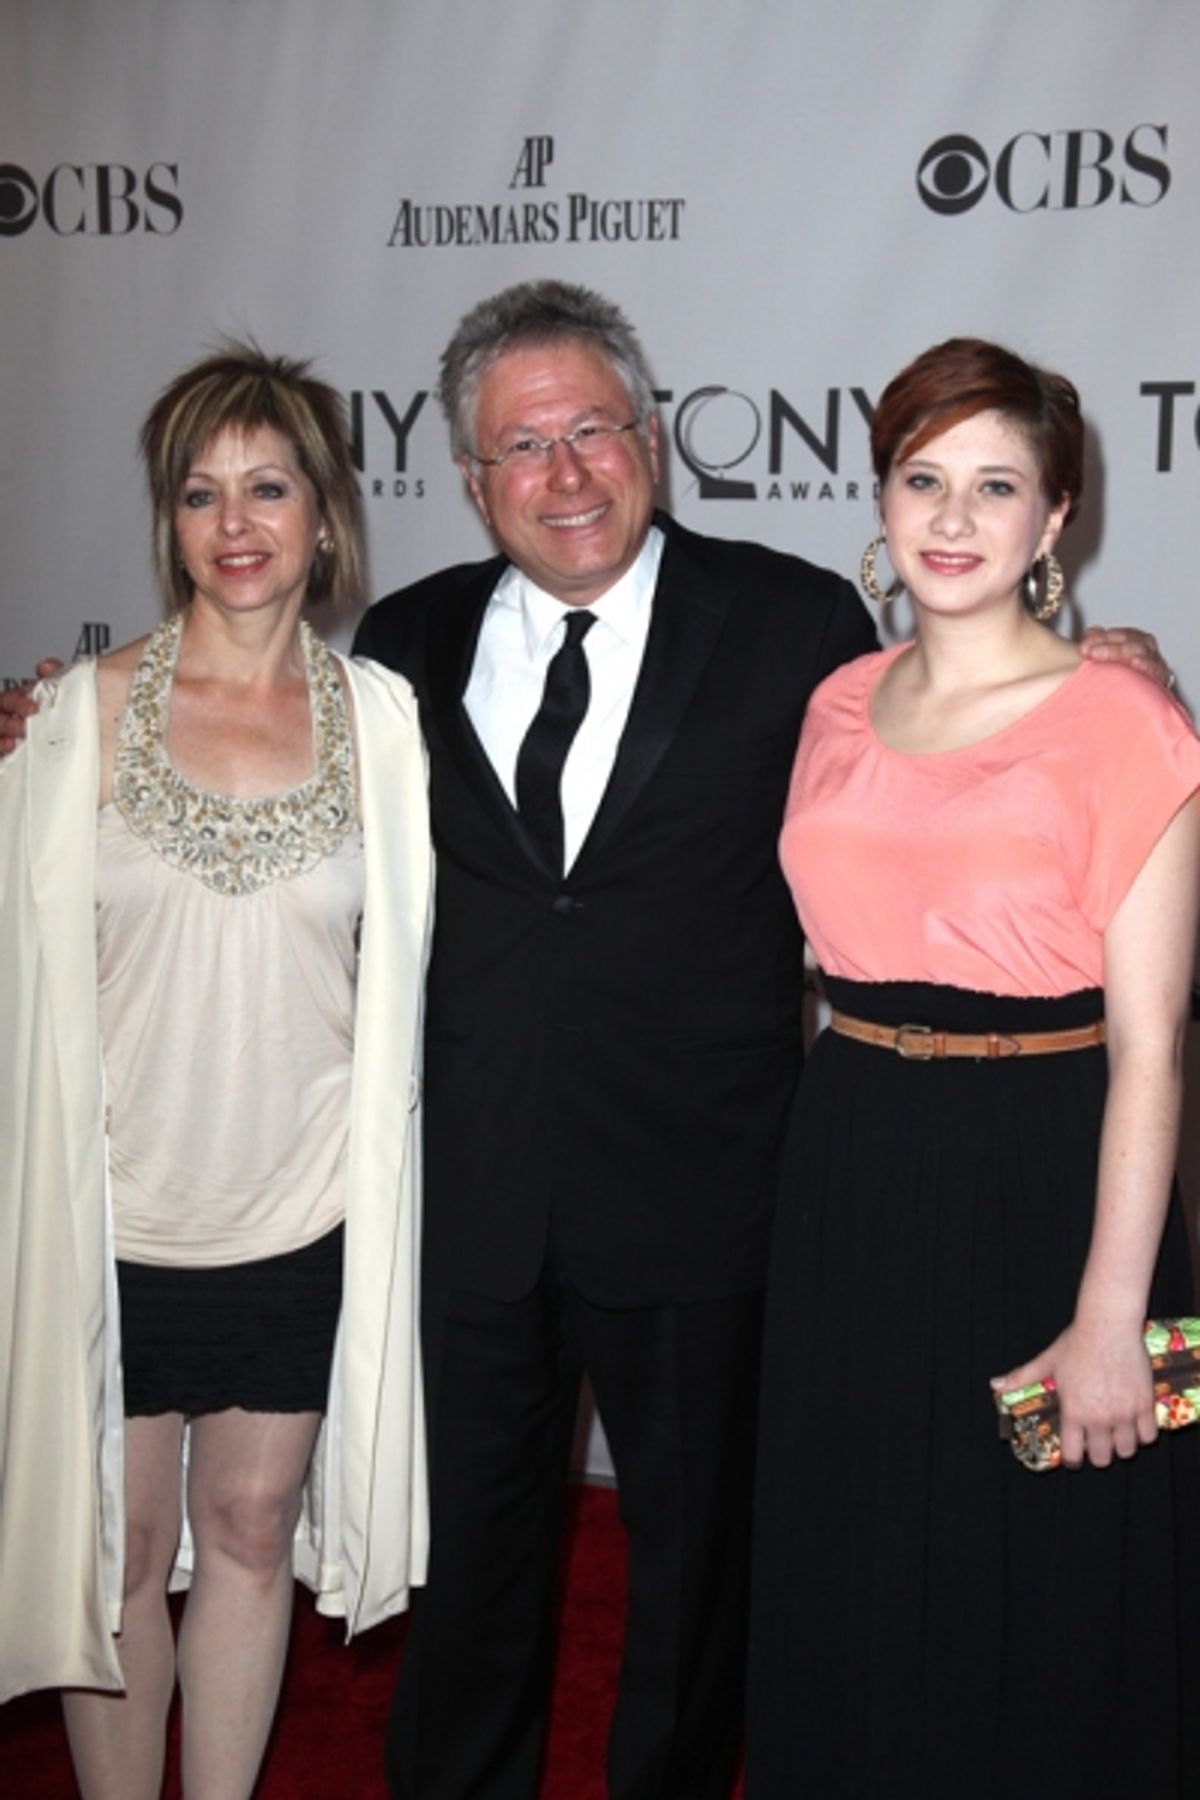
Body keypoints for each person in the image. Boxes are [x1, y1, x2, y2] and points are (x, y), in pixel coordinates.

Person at [0, 287, 1171, 1800]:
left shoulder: (800, 628)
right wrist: (53, 717)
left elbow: (982, 744)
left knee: (706, 1590)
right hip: (471, 1203)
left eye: (595, 432)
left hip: (723, 1203)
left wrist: (1113, 673)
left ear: (654, 441)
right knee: (467, 1588)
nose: (565, 473)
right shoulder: (400, 653)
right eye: (521, 446)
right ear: (469, 478)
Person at [746, 338, 1200, 1799]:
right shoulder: (834, 702)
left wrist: (1116, 1317)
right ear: (881, 496)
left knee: (1050, 1575)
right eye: (922, 478)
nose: (952, 518)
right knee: (859, 1549)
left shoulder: (1130, 722)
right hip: (850, 1159)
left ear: (1056, 516)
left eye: (997, 486)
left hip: (1049, 1171)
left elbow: (1153, 1048)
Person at [0, 343, 432, 1800]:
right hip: (113, 1219)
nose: (236, 523)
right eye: (200, 494)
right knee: (117, 1552)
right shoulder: (73, 716)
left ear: (326, 515)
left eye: (269, 488)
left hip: (300, 1215)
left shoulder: (385, 727)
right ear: (168, 522)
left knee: (252, 1534)